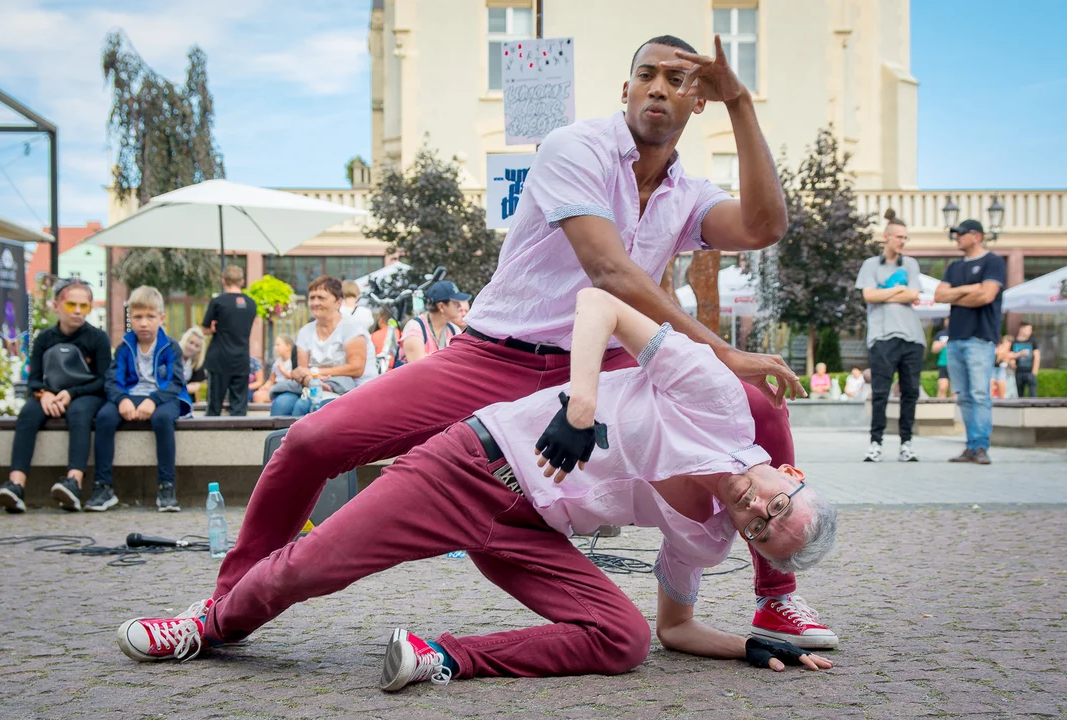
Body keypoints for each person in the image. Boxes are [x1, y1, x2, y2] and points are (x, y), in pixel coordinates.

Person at [199, 34, 834, 649]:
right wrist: (720, 352)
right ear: (626, 88)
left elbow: (762, 224)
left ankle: (776, 595)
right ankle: (226, 599)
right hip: (497, 354)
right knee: (312, 440)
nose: (658, 90)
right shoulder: (576, 147)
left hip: (597, 363)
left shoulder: (686, 194)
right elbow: (608, 274)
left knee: (762, 402)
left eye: (677, 80)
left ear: (698, 100)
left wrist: (741, 102)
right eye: (647, 76)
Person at [115, 289, 837, 688]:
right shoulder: (715, 399)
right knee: (311, 568)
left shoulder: (708, 535)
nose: (757, 512)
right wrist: (579, 404)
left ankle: (443, 655)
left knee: (621, 640)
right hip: (469, 467)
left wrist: (746, 645)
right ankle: (207, 626)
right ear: (789, 472)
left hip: (530, 531)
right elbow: (598, 304)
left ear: (751, 542)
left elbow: (673, 630)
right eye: (777, 503)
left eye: (764, 531)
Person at [0, 277, 111, 514]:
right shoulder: (45, 338)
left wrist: (71, 393)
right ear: (56, 306)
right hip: (50, 395)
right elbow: (34, 377)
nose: (77, 311)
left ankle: (73, 483)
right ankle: (16, 485)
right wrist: (42, 395)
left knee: (79, 413)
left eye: (84, 306)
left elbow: (103, 379)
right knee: (28, 413)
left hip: (87, 394)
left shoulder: (98, 338)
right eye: (70, 305)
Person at [92, 286, 192, 512]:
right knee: (105, 417)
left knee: (163, 420)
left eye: (150, 316)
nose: (144, 323)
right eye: (137, 317)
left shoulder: (171, 346)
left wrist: (154, 400)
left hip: (165, 397)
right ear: (130, 318)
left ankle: (167, 486)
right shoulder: (124, 347)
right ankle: (102, 486)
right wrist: (121, 400)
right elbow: (112, 380)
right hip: (130, 396)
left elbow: (176, 383)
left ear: (161, 318)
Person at [934, 219, 1006, 465]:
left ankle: (981, 446)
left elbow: (987, 295)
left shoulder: (993, 262)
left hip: (980, 338)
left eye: (960, 234)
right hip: (955, 339)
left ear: (977, 236)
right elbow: (939, 295)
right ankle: (970, 446)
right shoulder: (954, 266)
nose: (956, 238)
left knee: (979, 393)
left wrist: (959, 294)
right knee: (963, 395)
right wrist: (970, 289)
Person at [856, 218, 924, 463]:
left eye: (906, 238)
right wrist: (899, 291)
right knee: (881, 392)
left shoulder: (911, 264)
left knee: (910, 392)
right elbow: (869, 295)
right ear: (886, 237)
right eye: (899, 237)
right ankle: (876, 443)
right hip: (882, 337)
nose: (903, 241)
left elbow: (914, 294)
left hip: (912, 338)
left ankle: (907, 444)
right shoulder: (871, 264)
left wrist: (884, 293)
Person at [270, 276, 378, 417]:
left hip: (353, 389)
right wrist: (308, 379)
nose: (315, 303)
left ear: (338, 302)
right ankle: (279, 439)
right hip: (316, 385)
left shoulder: (352, 327)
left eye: (321, 298)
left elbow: (356, 368)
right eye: (312, 298)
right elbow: (303, 370)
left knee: (305, 406)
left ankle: (298, 439)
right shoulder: (306, 331)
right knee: (280, 405)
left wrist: (314, 372)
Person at [201, 265, 257, 417]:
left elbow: (205, 328)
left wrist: (212, 328)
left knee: (214, 407)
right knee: (239, 408)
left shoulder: (218, 302)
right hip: (241, 360)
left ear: (223, 280)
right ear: (242, 281)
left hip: (219, 359)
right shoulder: (251, 304)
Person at [399, 281, 469, 363]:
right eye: (455, 303)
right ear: (441, 306)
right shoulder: (415, 328)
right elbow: (418, 368)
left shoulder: (454, 330)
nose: (459, 306)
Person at [253, 336, 293, 404]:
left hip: (288, 389)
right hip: (276, 387)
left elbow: (293, 378)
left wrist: (282, 370)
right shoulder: (277, 361)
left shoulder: (293, 361)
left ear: (288, 347)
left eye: (278, 345)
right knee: (257, 395)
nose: (275, 348)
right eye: (275, 345)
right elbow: (272, 379)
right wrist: (265, 386)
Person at [178, 326, 208, 400]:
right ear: (185, 340)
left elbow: (199, 384)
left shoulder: (196, 363)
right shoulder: (171, 355)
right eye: (191, 342)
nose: (192, 347)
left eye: (197, 346)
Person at [1012, 322, 1040, 398]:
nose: (1030, 331)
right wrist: (1019, 354)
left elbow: (1037, 357)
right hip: (1018, 372)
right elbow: (1009, 356)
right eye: (1028, 329)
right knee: (1019, 396)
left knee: (1032, 395)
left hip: (1030, 372)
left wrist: (1034, 372)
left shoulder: (1032, 342)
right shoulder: (1014, 342)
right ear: (1022, 329)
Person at [931, 319, 951, 398]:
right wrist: (943, 343)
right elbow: (934, 349)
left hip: (955, 364)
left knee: (954, 391)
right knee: (942, 388)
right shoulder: (941, 334)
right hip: (943, 363)